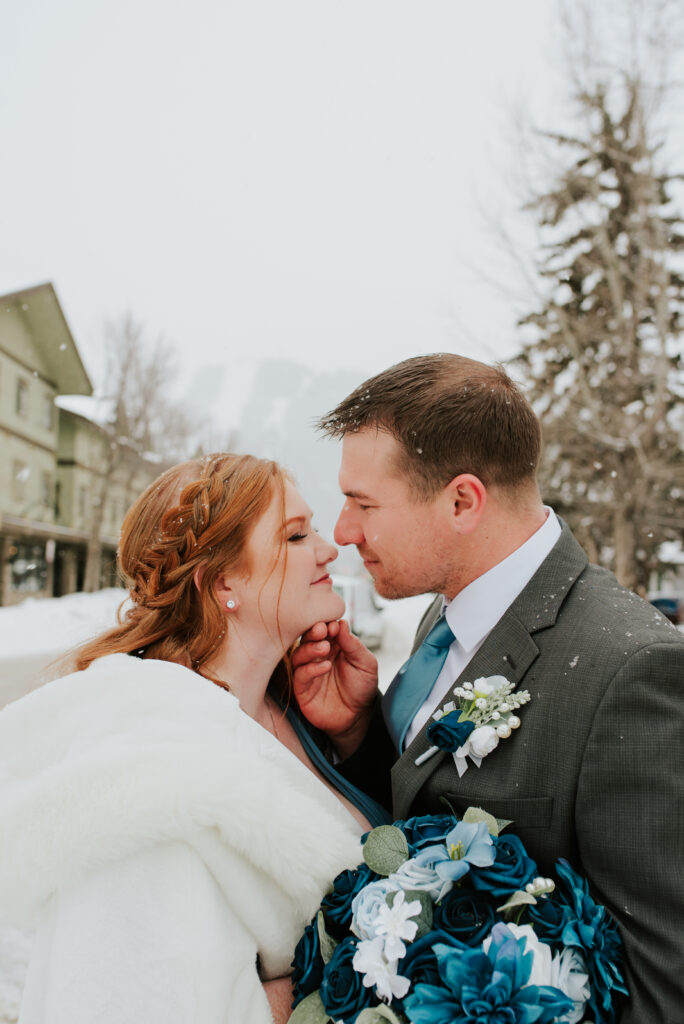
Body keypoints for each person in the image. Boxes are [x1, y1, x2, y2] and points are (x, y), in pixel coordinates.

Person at [292, 353, 684, 1024]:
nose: (344, 532)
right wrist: (360, 735)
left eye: (363, 504)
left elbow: (664, 986)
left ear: (462, 501)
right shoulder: (439, 615)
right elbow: (420, 811)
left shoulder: (634, 671)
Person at [0, 452, 389, 1024]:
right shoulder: (152, 781)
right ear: (223, 579)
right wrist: (356, 981)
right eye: (297, 535)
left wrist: (353, 733)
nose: (330, 548)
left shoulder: (284, 709)